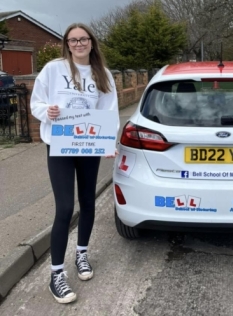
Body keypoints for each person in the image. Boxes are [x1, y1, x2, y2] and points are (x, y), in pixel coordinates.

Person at [30, 23, 119, 304]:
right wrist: (48, 111)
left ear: (91, 42)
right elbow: (36, 103)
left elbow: (108, 109)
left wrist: (108, 142)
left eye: (83, 39)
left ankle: (82, 254)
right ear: (67, 44)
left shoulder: (102, 74)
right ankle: (56, 274)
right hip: (61, 145)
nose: (78, 44)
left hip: (89, 145)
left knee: (88, 202)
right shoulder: (53, 69)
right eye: (73, 40)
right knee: (66, 207)